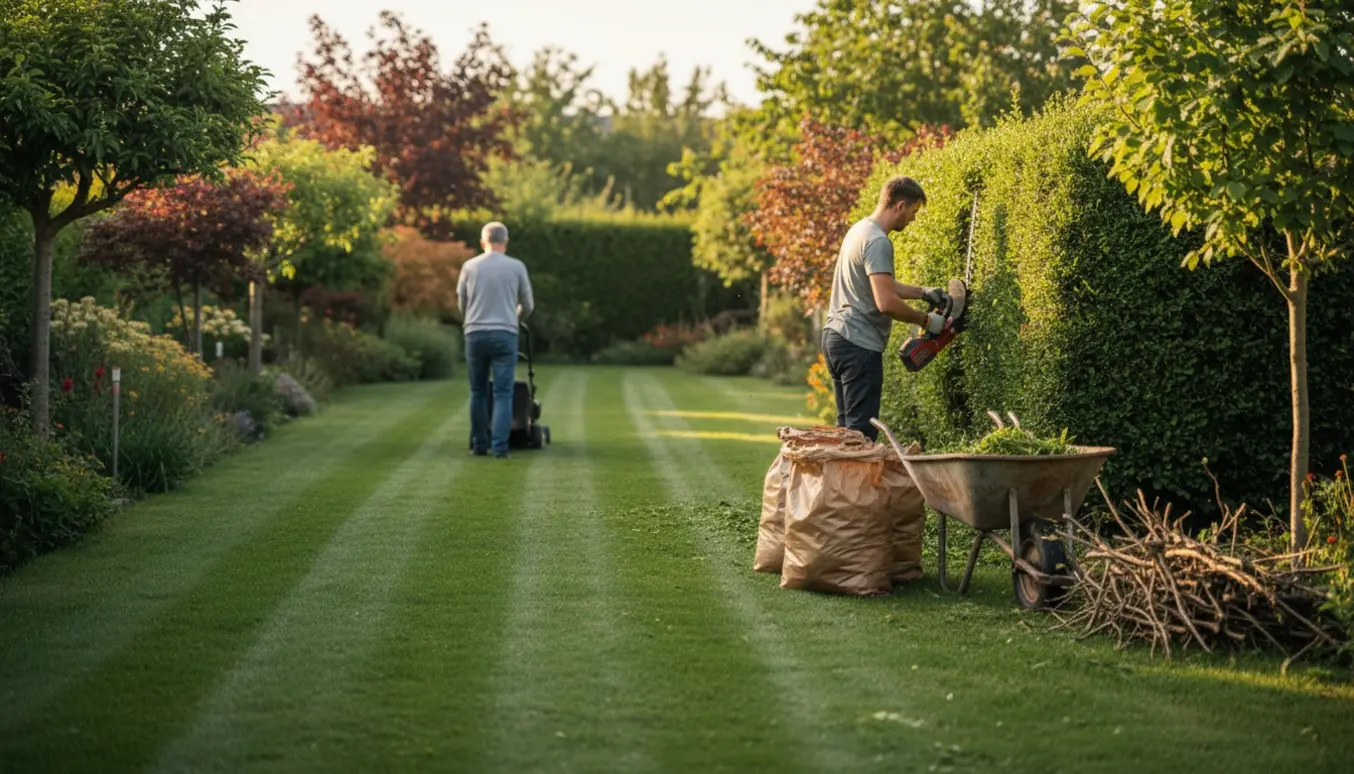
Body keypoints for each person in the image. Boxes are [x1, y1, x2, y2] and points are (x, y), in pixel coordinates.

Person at [821, 175, 948, 442]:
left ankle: (835, 485)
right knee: (860, 436)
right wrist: (927, 321)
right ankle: (851, 485)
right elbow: (886, 302)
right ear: (900, 206)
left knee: (845, 432)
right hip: (858, 344)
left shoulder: (859, 230)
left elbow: (881, 284)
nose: (913, 219)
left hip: (836, 337)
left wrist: (922, 292)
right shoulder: (878, 242)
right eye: (913, 212)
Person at [457, 221, 535, 459]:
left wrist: (472, 317)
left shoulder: (469, 267)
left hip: (475, 333)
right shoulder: (517, 267)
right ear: (506, 242)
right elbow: (528, 304)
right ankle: (500, 447)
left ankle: (479, 444)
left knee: (478, 391)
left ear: (483, 242)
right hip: (505, 333)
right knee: (503, 392)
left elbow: (462, 302)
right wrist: (516, 316)